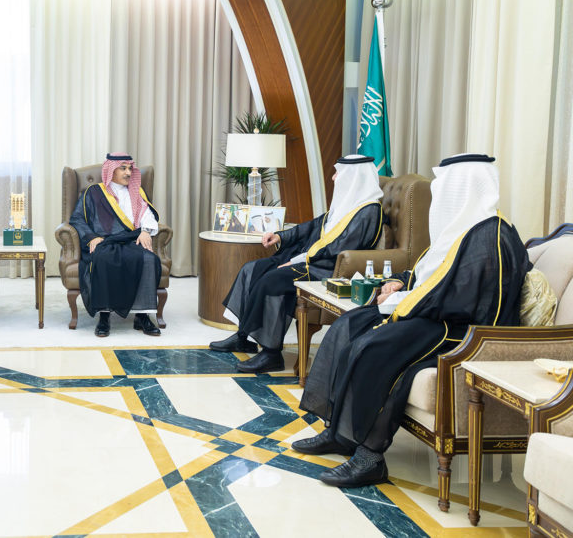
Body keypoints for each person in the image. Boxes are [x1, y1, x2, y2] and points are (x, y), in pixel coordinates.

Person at [292, 154, 530, 487]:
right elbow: (429, 273)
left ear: (462, 188)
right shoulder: (464, 227)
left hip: (462, 331)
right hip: (437, 315)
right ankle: (339, 433)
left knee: (374, 347)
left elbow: (465, 301)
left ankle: (370, 457)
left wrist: (409, 304)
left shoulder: (490, 236)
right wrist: (400, 283)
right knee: (349, 326)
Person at [210, 155, 385, 372]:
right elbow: (310, 227)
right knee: (251, 269)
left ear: (354, 177)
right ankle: (242, 337)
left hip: (326, 269)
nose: (333, 178)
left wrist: (297, 261)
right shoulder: (347, 205)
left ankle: (271, 354)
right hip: (311, 259)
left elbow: (338, 248)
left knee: (272, 281)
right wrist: (280, 236)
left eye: (337, 173)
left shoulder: (369, 211)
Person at [69, 153, 162, 337]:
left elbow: (148, 216)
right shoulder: (94, 192)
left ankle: (142, 316)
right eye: (123, 168)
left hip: (131, 240)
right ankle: (104, 316)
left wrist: (145, 231)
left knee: (149, 259)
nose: (128, 173)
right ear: (111, 170)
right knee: (104, 259)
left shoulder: (137, 191)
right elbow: (77, 218)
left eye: (130, 168)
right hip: (104, 242)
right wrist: (91, 237)